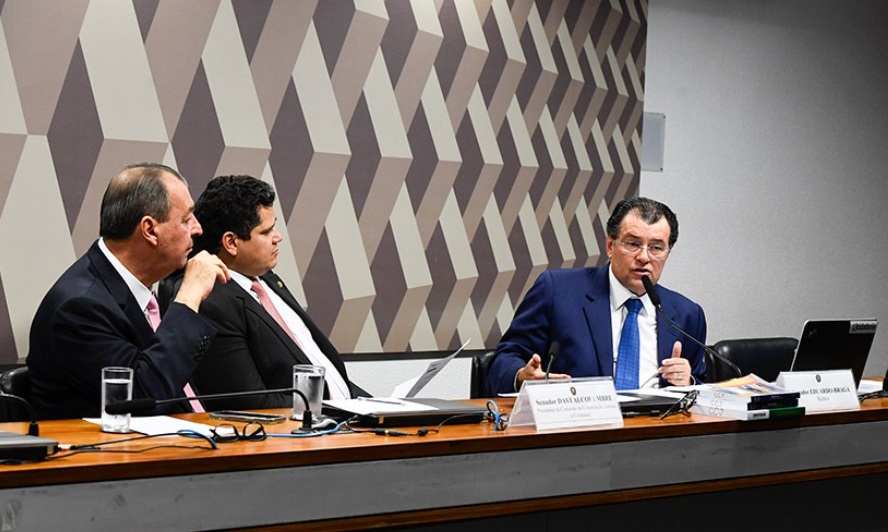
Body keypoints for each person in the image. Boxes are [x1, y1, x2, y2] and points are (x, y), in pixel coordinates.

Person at [27, 163, 230, 419]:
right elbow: (145, 397)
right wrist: (189, 297)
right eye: (187, 219)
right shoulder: (79, 307)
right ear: (150, 230)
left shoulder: (130, 289)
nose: (198, 228)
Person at [175, 174, 362, 410]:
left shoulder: (269, 280)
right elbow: (250, 402)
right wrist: (333, 410)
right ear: (231, 242)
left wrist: (381, 405)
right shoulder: (213, 300)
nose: (278, 237)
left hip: (351, 417)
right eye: (266, 232)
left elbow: (324, 367)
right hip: (305, 433)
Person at [486, 197, 707, 396]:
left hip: (657, 432)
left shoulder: (687, 314)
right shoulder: (558, 291)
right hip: (578, 430)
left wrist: (688, 381)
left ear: (669, 252)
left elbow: (702, 387)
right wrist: (522, 376)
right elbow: (504, 359)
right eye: (633, 244)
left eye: (656, 247)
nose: (643, 257)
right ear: (610, 246)